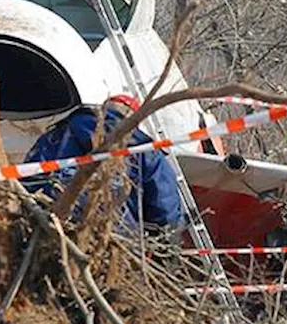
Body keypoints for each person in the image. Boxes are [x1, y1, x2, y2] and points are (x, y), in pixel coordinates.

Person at [23, 94, 183, 228]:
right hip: (113, 235)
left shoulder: (63, 129)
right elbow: (165, 211)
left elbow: (31, 173)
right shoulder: (145, 150)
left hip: (45, 216)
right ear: (135, 119)